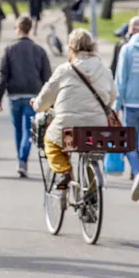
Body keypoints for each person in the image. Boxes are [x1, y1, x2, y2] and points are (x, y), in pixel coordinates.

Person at [32, 29, 116, 189]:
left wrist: (37, 105)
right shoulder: (105, 70)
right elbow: (112, 97)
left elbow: (46, 98)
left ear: (72, 48)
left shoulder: (65, 70)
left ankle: (64, 172)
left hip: (67, 126)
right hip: (97, 126)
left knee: (50, 141)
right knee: (90, 151)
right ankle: (91, 192)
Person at [0, 16, 52, 177]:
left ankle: (21, 160)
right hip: (33, 95)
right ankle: (23, 159)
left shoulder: (9, 49)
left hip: (14, 94)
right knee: (28, 129)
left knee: (18, 129)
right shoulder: (39, 51)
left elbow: (3, 75)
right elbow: (47, 77)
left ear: (18, 29)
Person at [115, 16, 139, 185]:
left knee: (129, 141)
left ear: (131, 30)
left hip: (131, 104)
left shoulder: (127, 49)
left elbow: (121, 80)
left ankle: (137, 172)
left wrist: (116, 105)